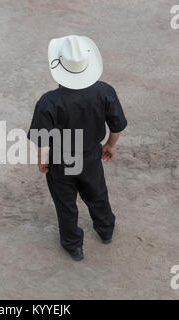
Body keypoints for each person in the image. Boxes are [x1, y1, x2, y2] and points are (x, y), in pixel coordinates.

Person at [27, 35, 127, 261]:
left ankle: (74, 245)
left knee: (65, 204)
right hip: (91, 156)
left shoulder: (48, 102)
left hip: (60, 162)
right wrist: (110, 146)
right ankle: (105, 230)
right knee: (98, 195)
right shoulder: (104, 91)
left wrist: (43, 160)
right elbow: (117, 124)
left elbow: (42, 138)